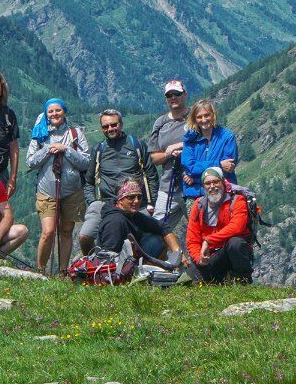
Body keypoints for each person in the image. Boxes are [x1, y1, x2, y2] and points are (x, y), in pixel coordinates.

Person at [80, 109, 167, 256]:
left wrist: (151, 203)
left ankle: (145, 270)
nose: (110, 129)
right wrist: (93, 202)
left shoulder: (136, 145)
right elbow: (88, 181)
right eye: (105, 127)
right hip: (105, 203)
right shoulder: (98, 150)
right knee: (85, 236)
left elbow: (151, 175)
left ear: (121, 124)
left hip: (137, 203)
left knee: (153, 237)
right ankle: (92, 265)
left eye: (114, 125)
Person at [25, 98, 89, 275]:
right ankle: (40, 271)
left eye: (58, 110)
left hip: (72, 191)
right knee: (48, 232)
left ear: (64, 112)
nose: (54, 114)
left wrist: (66, 149)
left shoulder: (76, 134)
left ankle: (62, 272)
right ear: (46, 114)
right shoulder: (40, 135)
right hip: (47, 191)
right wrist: (48, 149)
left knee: (67, 231)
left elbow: (86, 163)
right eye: (51, 111)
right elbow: (30, 162)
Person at [186, 168, 253, 283]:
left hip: (231, 253)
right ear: (203, 186)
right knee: (191, 281)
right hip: (211, 257)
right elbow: (192, 240)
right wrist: (199, 259)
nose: (212, 186)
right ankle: (218, 281)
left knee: (236, 243)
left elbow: (237, 227)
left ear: (223, 182)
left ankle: (243, 281)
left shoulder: (237, 200)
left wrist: (208, 241)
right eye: (207, 183)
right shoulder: (198, 205)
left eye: (216, 182)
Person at [95, 179, 177, 260]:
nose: (136, 201)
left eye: (139, 197)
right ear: (120, 200)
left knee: (159, 238)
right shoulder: (115, 221)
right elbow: (109, 256)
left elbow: (163, 227)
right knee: (156, 241)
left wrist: (178, 253)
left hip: (131, 258)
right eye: (131, 197)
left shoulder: (132, 214)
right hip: (118, 266)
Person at [149, 80, 189, 237]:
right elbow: (154, 158)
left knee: (201, 231)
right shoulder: (160, 123)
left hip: (192, 186)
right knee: (157, 231)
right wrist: (168, 153)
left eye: (177, 94)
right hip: (168, 187)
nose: (173, 97)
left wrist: (180, 146)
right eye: (169, 95)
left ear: (185, 95)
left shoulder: (195, 117)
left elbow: (206, 142)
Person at [180, 100, 238, 207]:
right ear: (194, 119)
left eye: (207, 115)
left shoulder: (227, 137)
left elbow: (228, 168)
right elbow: (190, 167)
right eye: (199, 117)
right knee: (196, 224)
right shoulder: (189, 140)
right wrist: (219, 164)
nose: (204, 120)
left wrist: (195, 178)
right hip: (195, 195)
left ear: (213, 115)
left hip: (222, 194)